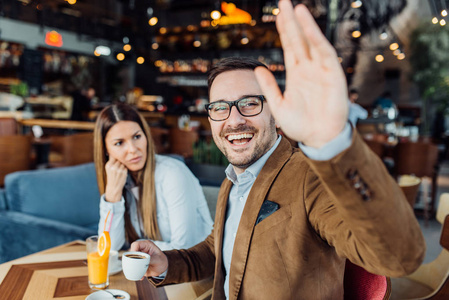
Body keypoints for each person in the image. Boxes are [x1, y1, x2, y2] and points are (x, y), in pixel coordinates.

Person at [131, 1, 425, 299]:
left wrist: (335, 145)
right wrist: (167, 262)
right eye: (220, 107)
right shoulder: (233, 179)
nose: (234, 120)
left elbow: (396, 256)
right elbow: (218, 249)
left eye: (250, 103)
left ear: (276, 112)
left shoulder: (309, 178)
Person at [94, 103, 213, 251]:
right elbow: (107, 249)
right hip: (152, 270)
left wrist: (136, 250)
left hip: (195, 269)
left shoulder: (172, 174)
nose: (132, 149)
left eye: (137, 136)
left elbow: (183, 249)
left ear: (146, 136)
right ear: (106, 150)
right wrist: (113, 195)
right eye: (119, 143)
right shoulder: (123, 181)